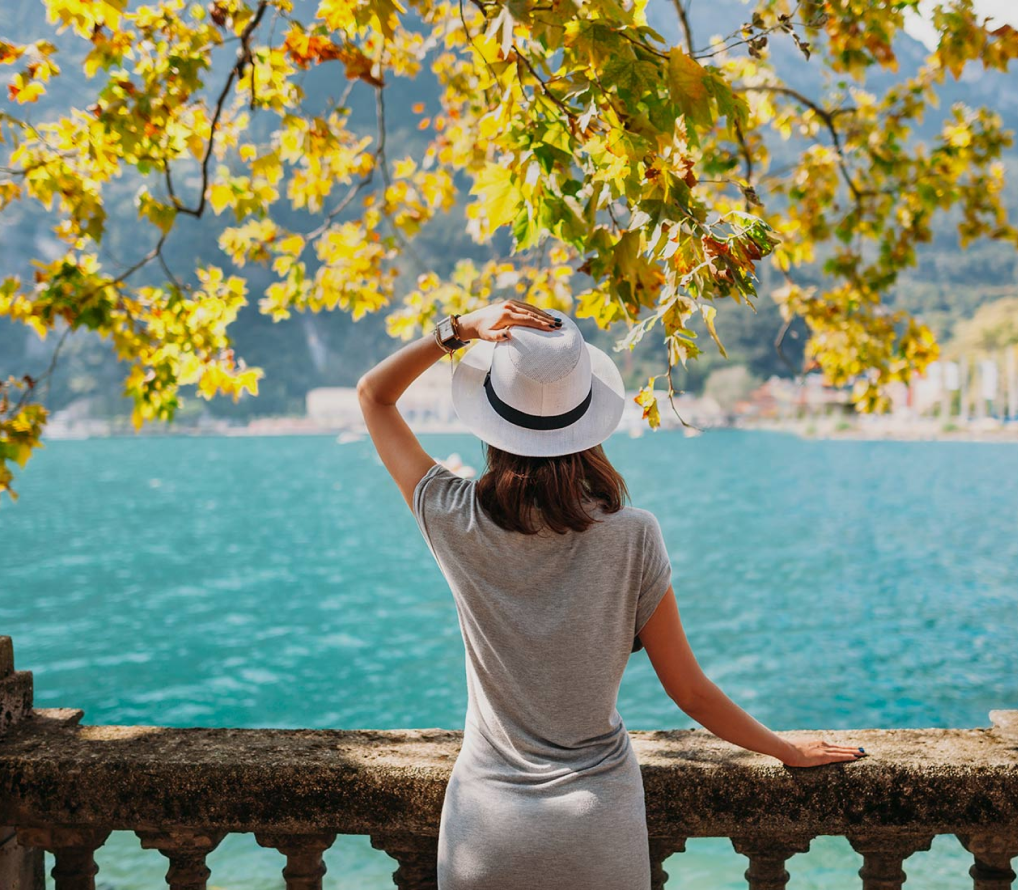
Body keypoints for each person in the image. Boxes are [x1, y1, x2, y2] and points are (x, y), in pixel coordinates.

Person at [358, 299, 865, 890]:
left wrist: (459, 329)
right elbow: (690, 692)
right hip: (596, 828)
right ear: (587, 419)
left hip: (486, 833)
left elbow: (374, 396)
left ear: (492, 419)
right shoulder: (633, 535)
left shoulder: (454, 517)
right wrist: (784, 750)